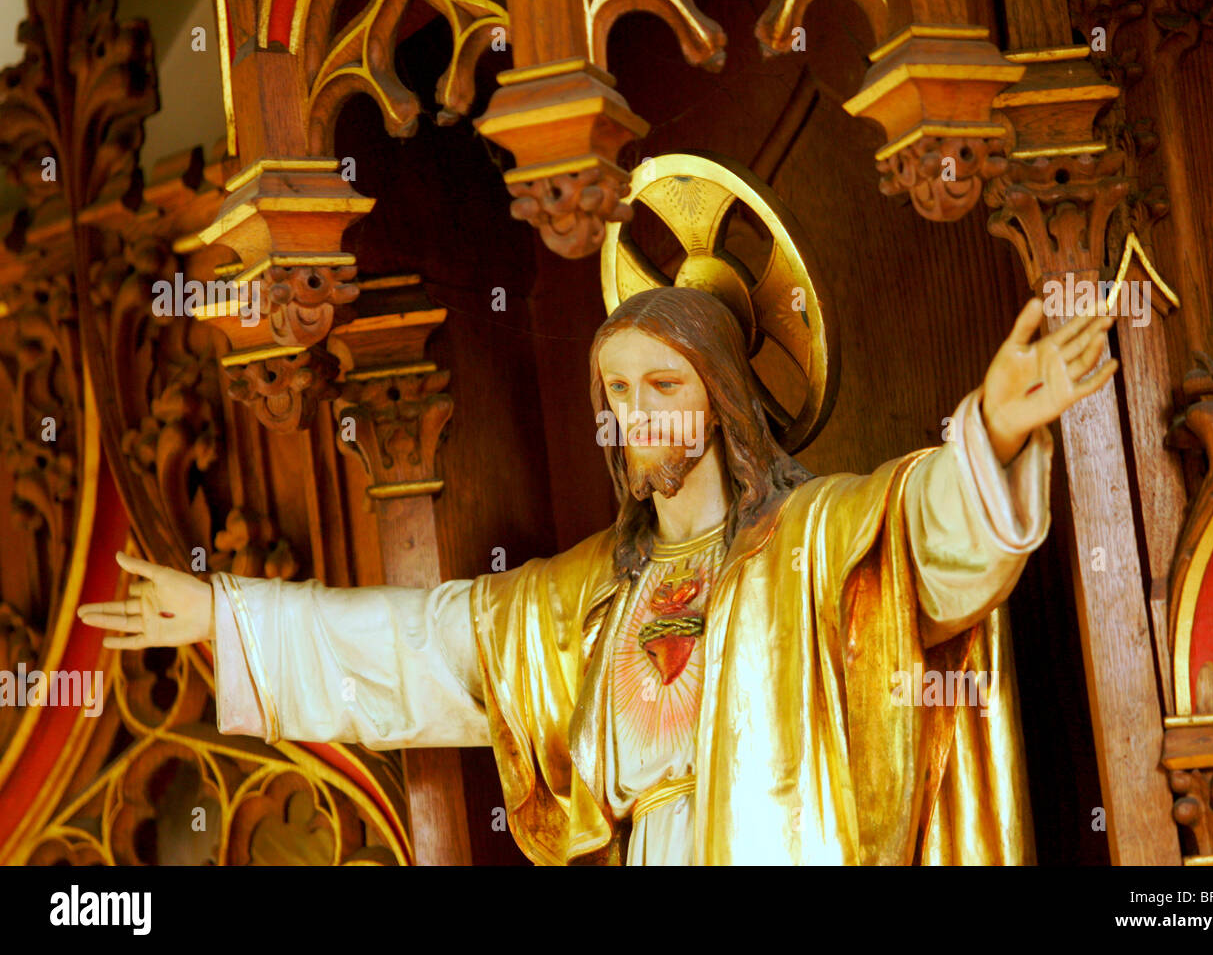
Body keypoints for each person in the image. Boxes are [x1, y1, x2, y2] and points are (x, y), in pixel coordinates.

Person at [79, 286, 1116, 865]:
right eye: (615, 389)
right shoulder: (581, 594)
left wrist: (990, 429)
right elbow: (421, 644)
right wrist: (228, 611)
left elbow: (929, 536)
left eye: (662, 381)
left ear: (716, 399)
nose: (635, 410)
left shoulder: (810, 537)